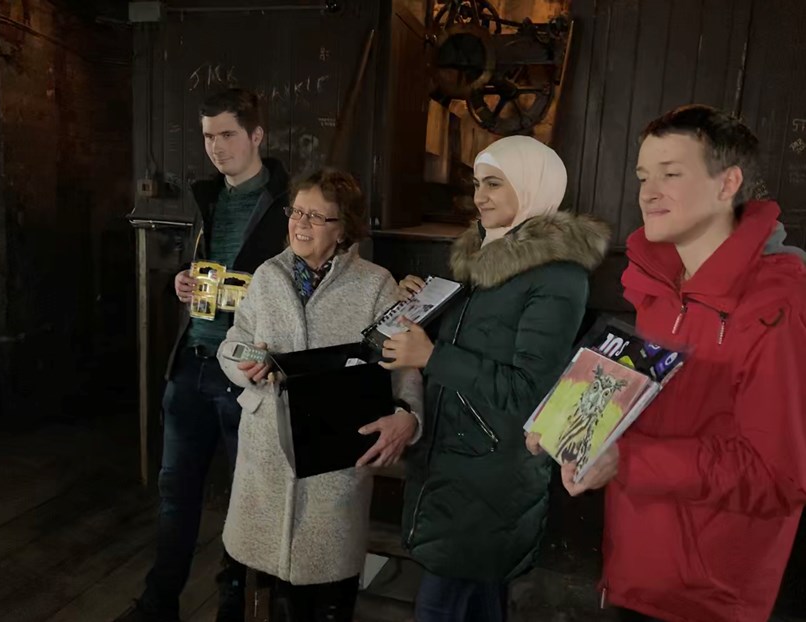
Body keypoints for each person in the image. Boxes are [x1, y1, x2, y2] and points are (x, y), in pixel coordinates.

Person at [531, 104, 806, 622]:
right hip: (633, 569)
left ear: (728, 184)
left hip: (706, 595)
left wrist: (626, 461)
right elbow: (648, 398)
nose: (648, 192)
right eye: (643, 176)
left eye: (671, 174)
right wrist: (564, 422)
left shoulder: (778, 304)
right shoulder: (658, 284)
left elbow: (776, 476)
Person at [385, 135, 611, 621]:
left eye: (493, 184)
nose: (479, 196)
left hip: (493, 471)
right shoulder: (486, 257)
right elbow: (474, 340)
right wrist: (425, 304)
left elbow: (530, 389)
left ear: (532, 188)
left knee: (442, 605)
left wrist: (431, 355)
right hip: (456, 462)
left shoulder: (558, 276)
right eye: (476, 184)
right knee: (479, 602)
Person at [217, 168, 423, 622]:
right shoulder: (268, 274)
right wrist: (248, 361)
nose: (300, 224)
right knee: (252, 595)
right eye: (297, 212)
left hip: (334, 459)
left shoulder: (375, 285)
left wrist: (408, 413)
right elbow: (234, 341)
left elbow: (402, 363)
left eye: (316, 216)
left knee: (324, 600)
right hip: (265, 454)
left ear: (344, 228)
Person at [124, 89, 290, 622]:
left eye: (227, 135)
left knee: (247, 504)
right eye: (208, 137)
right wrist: (182, 282)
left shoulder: (289, 205)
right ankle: (158, 605)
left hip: (245, 375)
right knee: (176, 495)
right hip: (191, 362)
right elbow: (208, 270)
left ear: (256, 135)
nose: (216, 148)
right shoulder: (207, 198)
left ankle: (232, 608)